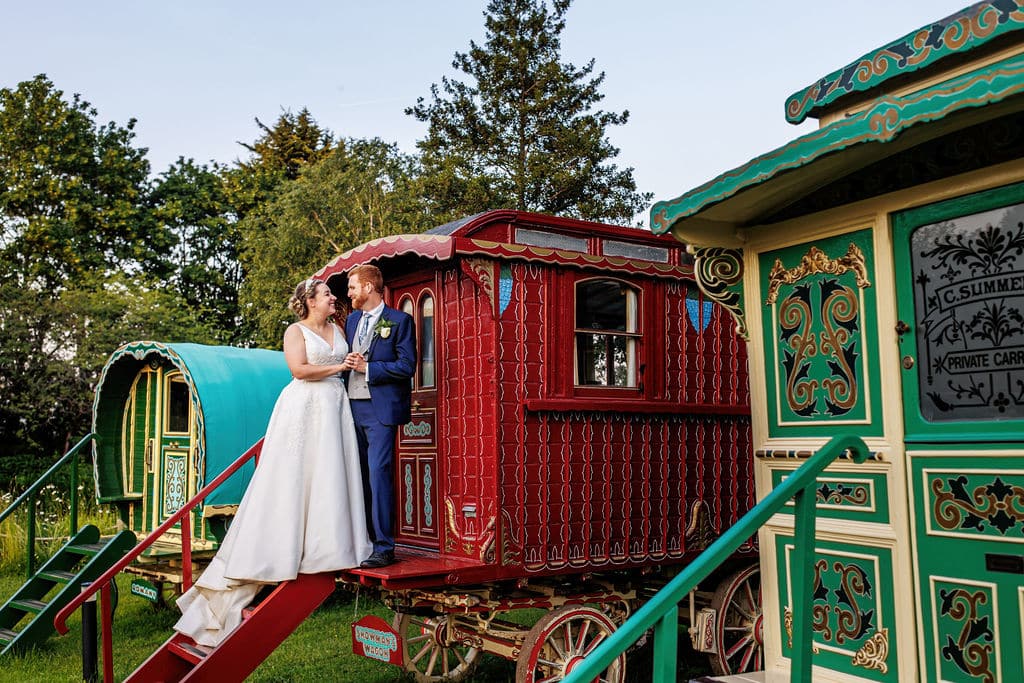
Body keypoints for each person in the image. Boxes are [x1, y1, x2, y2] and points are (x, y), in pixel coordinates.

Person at [174, 278, 372, 647]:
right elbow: (298, 370)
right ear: (311, 301)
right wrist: (338, 369)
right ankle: (284, 544)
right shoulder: (295, 332)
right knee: (297, 477)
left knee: (331, 475)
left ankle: (328, 543)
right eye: (327, 294)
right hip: (305, 407)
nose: (333, 298)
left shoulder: (339, 328)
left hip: (334, 407)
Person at [343, 264, 416, 568]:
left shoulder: (400, 321)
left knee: (378, 474)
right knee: (356, 476)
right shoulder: (351, 321)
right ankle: (363, 541)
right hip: (350, 408)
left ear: (369, 288)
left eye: (352, 288)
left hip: (380, 410)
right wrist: (348, 363)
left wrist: (369, 369)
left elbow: (407, 366)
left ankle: (384, 547)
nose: (349, 294)